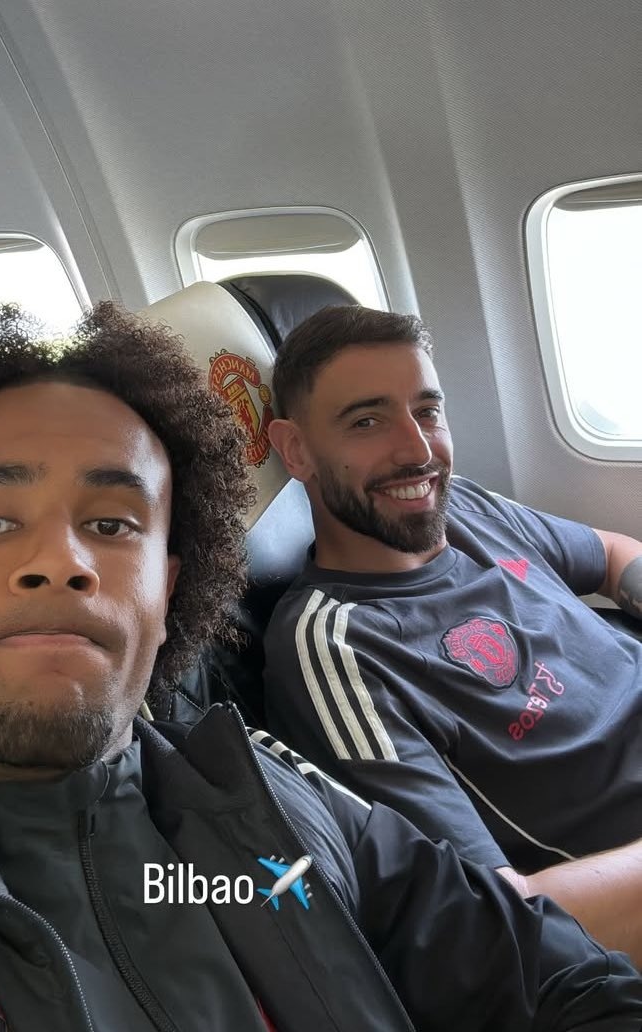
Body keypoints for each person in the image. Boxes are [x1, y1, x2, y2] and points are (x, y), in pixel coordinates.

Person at [0, 304, 640, 1032]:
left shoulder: (259, 798)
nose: (61, 562)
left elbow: (546, 974)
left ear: (169, 591)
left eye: (112, 524)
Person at [264, 303, 642, 969]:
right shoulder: (336, 647)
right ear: (296, 450)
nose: (417, 450)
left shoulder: (464, 505)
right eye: (367, 421)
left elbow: (611, 554)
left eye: (427, 411)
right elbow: (496, 921)